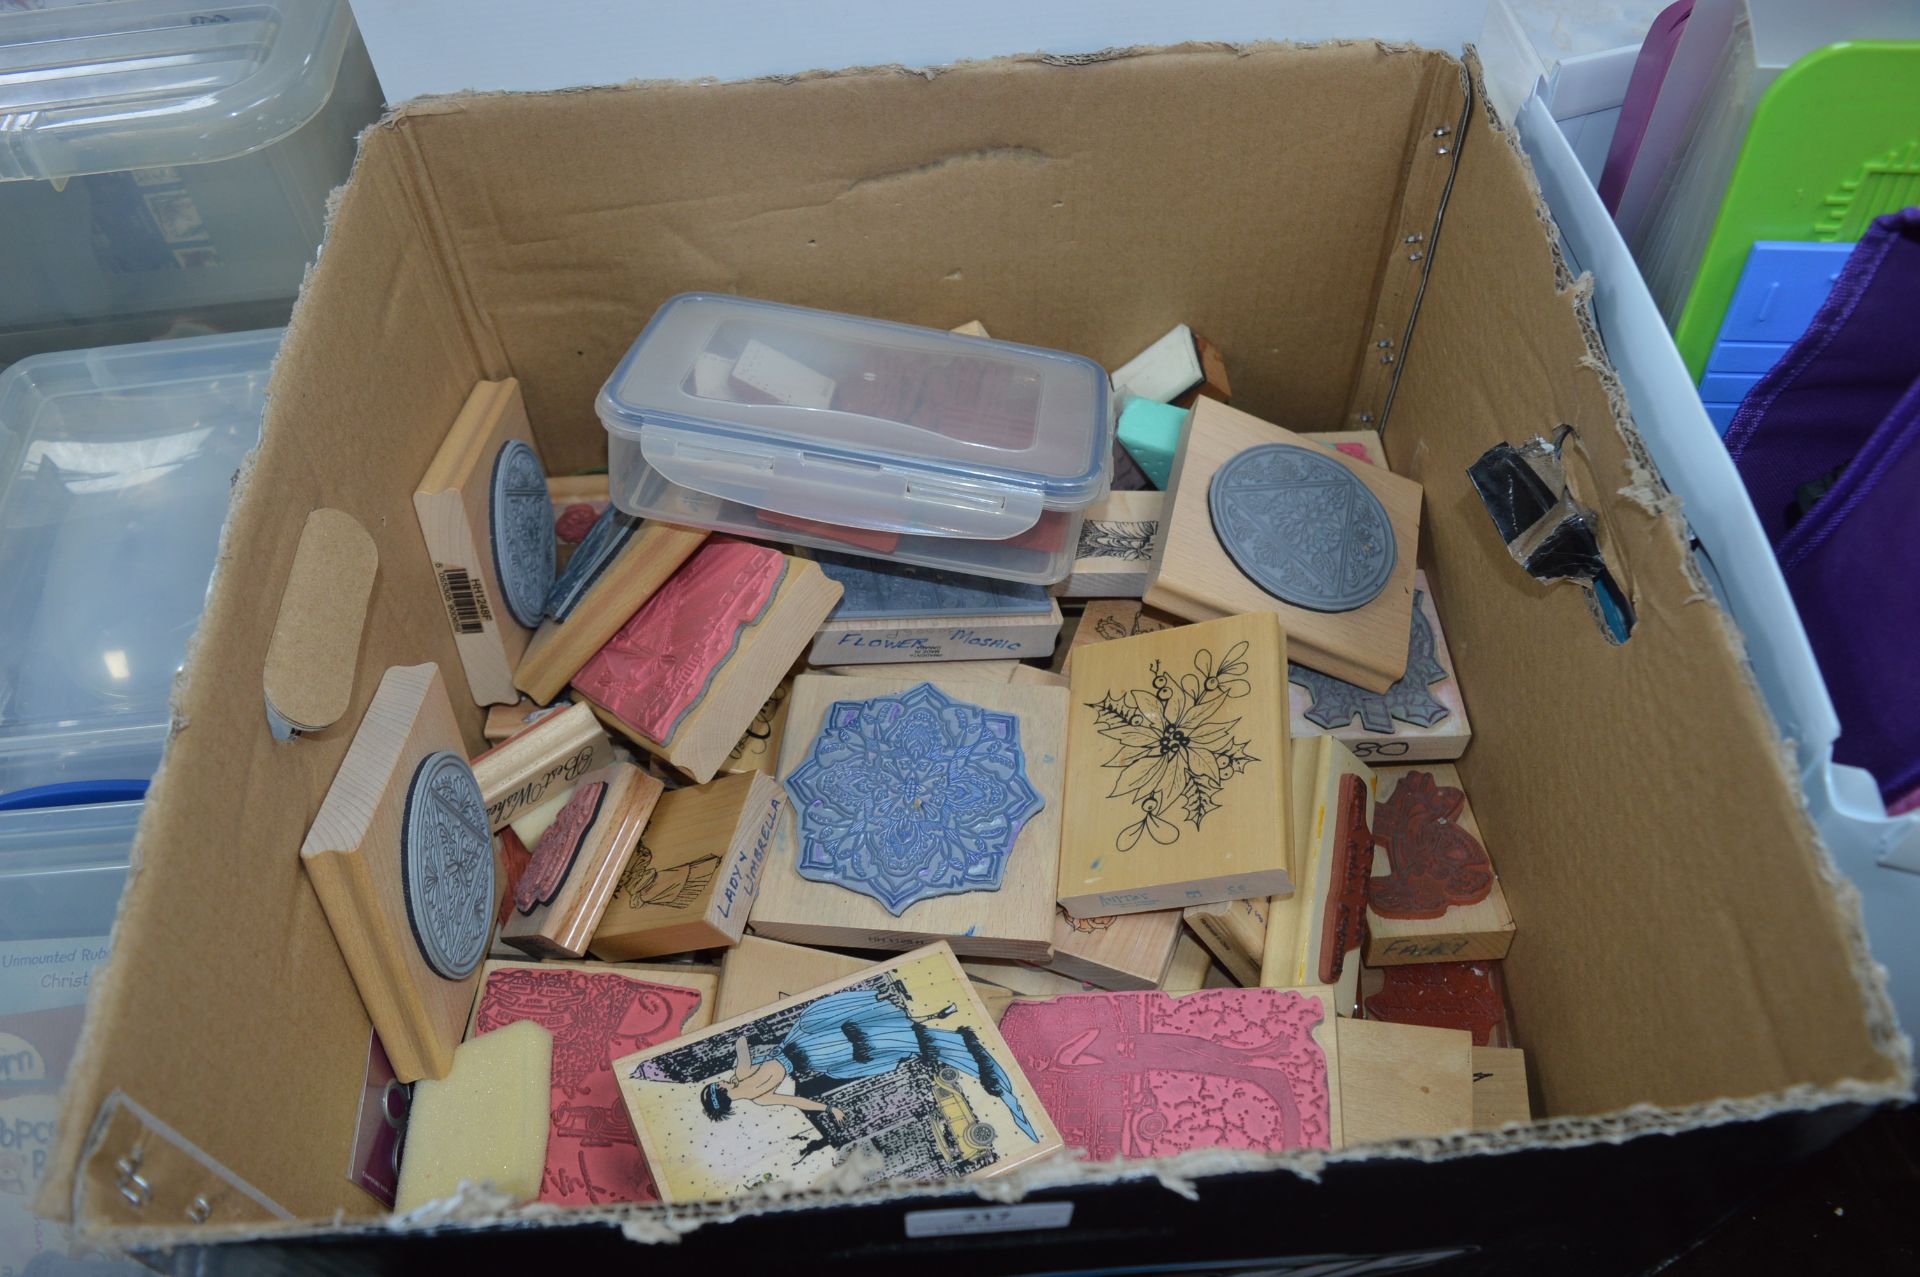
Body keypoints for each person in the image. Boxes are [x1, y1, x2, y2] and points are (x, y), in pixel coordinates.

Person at [698, 988, 1038, 1142]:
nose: (723, 1083)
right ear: (722, 1090)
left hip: (816, 1055)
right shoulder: (741, 1075)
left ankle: (930, 1031)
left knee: (866, 1041)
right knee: (862, 1033)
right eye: (720, 1086)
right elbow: (742, 1043)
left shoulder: (759, 1098)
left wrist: (830, 1109)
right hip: (808, 1047)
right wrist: (746, 1057)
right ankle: (929, 1030)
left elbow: (797, 1101)